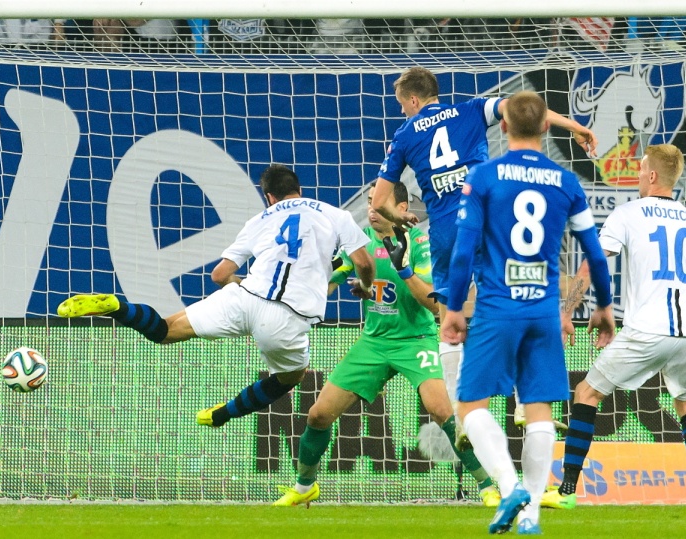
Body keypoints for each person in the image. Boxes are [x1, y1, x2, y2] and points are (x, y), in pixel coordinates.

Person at [57, 164, 374, 428]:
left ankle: (116, 307)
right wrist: (365, 286)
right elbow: (362, 262)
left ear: (269, 197)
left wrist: (240, 290)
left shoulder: (259, 220)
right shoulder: (336, 216)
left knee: (166, 330)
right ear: (299, 190)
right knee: (291, 376)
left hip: (246, 296)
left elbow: (219, 275)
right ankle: (223, 414)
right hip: (288, 318)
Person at [372, 66, 599, 428]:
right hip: (489, 217)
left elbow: (380, 202)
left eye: (402, 104)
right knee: (516, 303)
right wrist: (576, 127)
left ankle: (462, 416)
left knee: (448, 319)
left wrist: (398, 220)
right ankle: (527, 404)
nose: (402, 111)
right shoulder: (473, 109)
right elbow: (528, 109)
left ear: (414, 100)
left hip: (447, 229)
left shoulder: (402, 135)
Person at [439, 91, 615, 534]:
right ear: (546, 128)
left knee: (470, 404)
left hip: (497, 309)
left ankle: (509, 484)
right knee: (538, 410)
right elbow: (594, 253)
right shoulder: (567, 183)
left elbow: (463, 253)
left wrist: (455, 308)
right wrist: (605, 307)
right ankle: (531, 516)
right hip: (543, 312)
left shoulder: (483, 177)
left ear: (502, 127)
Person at [272, 180, 500, 508]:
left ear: (403, 210)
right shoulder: (360, 243)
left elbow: (433, 305)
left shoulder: (423, 243)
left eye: (379, 203)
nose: (371, 210)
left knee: (440, 410)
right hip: (374, 342)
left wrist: (402, 267)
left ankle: (487, 486)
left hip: (415, 340)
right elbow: (326, 284)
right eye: (368, 202)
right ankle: (305, 484)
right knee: (318, 415)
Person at [543, 144, 686, 510]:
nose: (638, 176)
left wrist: (567, 310)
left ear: (652, 176)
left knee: (587, 393)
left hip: (647, 330)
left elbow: (593, 263)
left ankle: (566, 492)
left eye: (640, 171)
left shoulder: (627, 213)